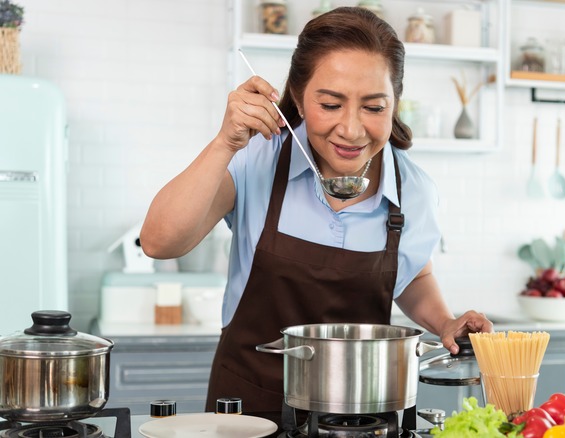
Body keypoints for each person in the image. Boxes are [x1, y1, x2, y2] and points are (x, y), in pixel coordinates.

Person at [140, 6, 493, 414]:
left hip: (359, 412)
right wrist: (224, 142)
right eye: (330, 104)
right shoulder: (257, 159)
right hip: (247, 408)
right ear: (298, 97)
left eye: (374, 108)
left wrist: (444, 322)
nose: (351, 129)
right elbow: (158, 242)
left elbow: (414, 273)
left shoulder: (412, 190)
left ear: (394, 104)